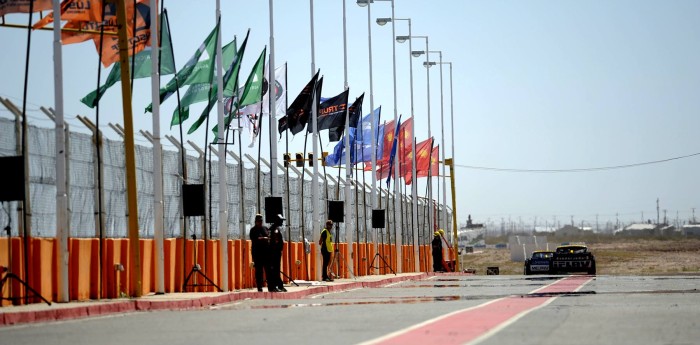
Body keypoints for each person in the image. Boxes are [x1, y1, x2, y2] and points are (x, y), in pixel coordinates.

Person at [249, 214, 280, 292]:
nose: (260, 222)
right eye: (259, 221)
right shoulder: (253, 230)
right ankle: (259, 287)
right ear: (256, 221)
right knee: (259, 271)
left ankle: (271, 287)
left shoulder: (265, 228)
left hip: (266, 253)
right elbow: (256, 238)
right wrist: (265, 238)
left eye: (261, 221)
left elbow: (269, 237)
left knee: (269, 271)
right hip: (257, 254)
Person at [268, 214, 287, 292]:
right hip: (274, 253)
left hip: (274, 252)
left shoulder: (273, 228)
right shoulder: (275, 229)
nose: (282, 222)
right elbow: (275, 241)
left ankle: (278, 285)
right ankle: (276, 286)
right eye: (281, 220)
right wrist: (278, 249)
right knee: (274, 269)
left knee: (275, 269)